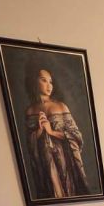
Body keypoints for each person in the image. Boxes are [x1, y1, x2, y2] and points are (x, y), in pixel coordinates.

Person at [24, 67, 89, 199]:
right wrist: (39, 130)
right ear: (35, 82)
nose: (49, 85)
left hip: (64, 160)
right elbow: (29, 145)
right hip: (44, 163)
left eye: (51, 82)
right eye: (44, 80)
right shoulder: (30, 111)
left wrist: (51, 131)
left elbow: (76, 135)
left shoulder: (61, 106)